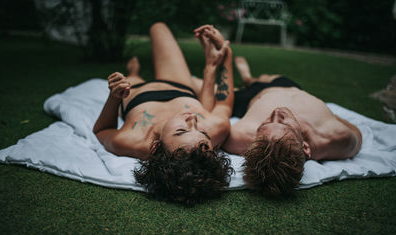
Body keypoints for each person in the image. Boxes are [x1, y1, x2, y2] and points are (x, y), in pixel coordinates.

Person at [93, 23, 234, 205]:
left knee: (132, 78)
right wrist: (223, 58)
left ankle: (134, 72)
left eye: (181, 131)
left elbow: (101, 130)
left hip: (137, 92)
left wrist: (114, 97)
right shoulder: (214, 129)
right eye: (204, 133)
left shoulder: (131, 139)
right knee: (158, 28)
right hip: (179, 84)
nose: (193, 119)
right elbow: (222, 104)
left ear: (156, 148)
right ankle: (207, 70)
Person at [222, 56, 363, 197]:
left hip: (252, 96)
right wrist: (332, 116)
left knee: (255, 81)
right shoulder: (336, 137)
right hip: (293, 89)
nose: (276, 112)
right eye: (285, 125)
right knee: (270, 77)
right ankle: (248, 79)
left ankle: (248, 79)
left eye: (264, 124)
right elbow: (356, 133)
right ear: (306, 147)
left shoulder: (237, 137)